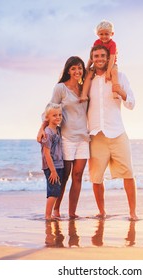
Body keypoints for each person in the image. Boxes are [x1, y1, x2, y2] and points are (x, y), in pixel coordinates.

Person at [87, 44, 138, 221]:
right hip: (95, 135)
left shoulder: (120, 77)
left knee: (128, 174)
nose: (99, 59)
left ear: (109, 58)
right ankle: (101, 212)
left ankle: (132, 213)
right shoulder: (88, 79)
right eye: (96, 56)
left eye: (103, 55)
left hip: (117, 133)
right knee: (96, 178)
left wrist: (121, 92)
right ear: (92, 58)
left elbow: (131, 104)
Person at [37, 56, 89, 220]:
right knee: (65, 175)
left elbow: (93, 71)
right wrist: (42, 128)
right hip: (66, 138)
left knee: (78, 176)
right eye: (73, 68)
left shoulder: (85, 88)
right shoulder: (60, 88)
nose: (77, 71)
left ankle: (72, 212)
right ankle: (56, 210)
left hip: (83, 138)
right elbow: (49, 109)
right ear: (68, 70)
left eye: (79, 68)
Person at [80, 20, 119, 102]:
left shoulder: (113, 44)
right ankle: (84, 94)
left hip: (111, 64)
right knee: (89, 74)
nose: (104, 36)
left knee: (114, 73)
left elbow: (112, 58)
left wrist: (108, 71)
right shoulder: (97, 42)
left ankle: (115, 92)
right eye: (101, 34)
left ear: (112, 34)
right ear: (97, 34)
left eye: (106, 34)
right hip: (98, 63)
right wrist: (87, 67)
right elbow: (92, 56)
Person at [40, 103, 64, 220]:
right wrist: (53, 170)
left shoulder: (58, 130)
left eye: (60, 114)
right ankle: (48, 215)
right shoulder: (48, 133)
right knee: (53, 192)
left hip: (59, 164)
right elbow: (46, 153)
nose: (58, 117)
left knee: (56, 190)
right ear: (47, 117)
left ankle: (49, 214)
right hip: (51, 166)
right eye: (54, 115)